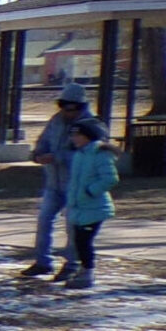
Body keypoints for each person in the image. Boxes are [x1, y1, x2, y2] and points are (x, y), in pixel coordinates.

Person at [21, 82, 91, 279]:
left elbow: (88, 155)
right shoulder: (56, 121)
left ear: (81, 106)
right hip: (53, 182)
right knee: (44, 220)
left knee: (72, 226)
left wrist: (57, 157)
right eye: (63, 106)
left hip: (76, 185)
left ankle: (72, 264)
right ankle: (43, 262)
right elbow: (43, 141)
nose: (67, 111)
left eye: (72, 107)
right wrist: (37, 155)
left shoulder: (91, 126)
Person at [62, 119, 119, 290]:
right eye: (72, 134)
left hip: (94, 207)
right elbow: (75, 182)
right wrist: (71, 203)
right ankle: (84, 269)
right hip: (80, 207)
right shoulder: (80, 154)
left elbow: (110, 178)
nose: (74, 138)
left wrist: (90, 191)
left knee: (84, 241)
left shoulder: (99, 154)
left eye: (77, 135)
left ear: (88, 136)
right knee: (79, 241)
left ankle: (88, 273)